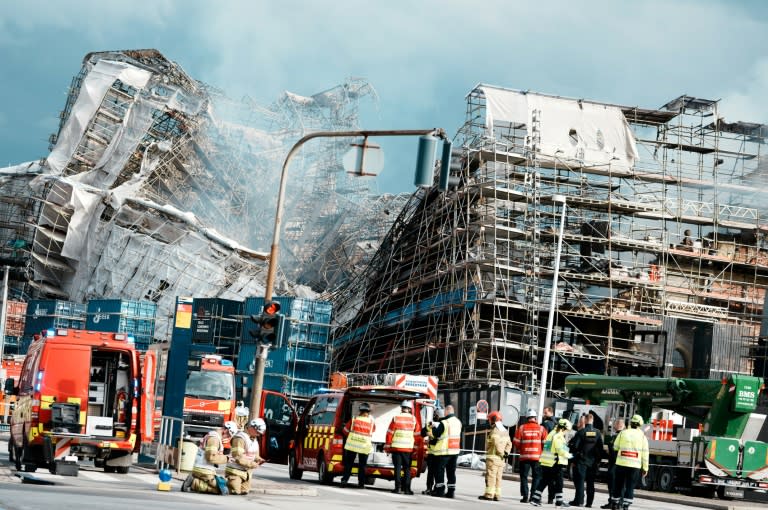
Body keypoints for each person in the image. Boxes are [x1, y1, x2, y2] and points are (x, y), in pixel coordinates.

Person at [182, 421, 238, 494]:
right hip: (204, 470)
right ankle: (194, 483)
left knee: (223, 487)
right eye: (229, 435)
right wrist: (226, 459)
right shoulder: (214, 439)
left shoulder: (214, 436)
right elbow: (211, 457)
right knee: (222, 490)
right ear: (226, 430)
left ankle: (195, 480)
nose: (228, 437)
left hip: (203, 469)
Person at [610, 415, 649, 510]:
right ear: (640, 424)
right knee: (630, 486)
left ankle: (615, 503)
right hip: (634, 466)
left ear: (630, 423)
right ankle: (626, 505)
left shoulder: (623, 433)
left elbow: (615, 447)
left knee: (618, 484)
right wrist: (645, 468)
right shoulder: (642, 437)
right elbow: (645, 454)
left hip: (621, 464)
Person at [531, 418, 572, 507]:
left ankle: (535, 498)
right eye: (567, 430)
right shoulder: (558, 435)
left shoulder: (552, 433)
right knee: (559, 482)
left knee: (545, 480)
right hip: (555, 462)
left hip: (547, 461)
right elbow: (560, 449)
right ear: (563, 428)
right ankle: (559, 501)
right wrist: (570, 455)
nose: (566, 432)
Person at [569, 413, 603, 508]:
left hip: (581, 461)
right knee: (590, 483)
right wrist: (597, 460)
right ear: (592, 420)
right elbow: (600, 448)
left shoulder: (581, 432)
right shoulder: (598, 432)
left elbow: (575, 447)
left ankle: (579, 501)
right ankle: (589, 503)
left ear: (586, 420)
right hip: (592, 462)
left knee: (580, 482)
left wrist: (573, 459)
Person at [225, 417, 267, 495]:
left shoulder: (254, 439)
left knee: (244, 491)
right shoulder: (240, 438)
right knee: (235, 491)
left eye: (259, 434)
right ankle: (222, 483)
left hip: (246, 473)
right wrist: (252, 464)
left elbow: (255, 455)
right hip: (235, 471)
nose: (258, 435)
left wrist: (259, 459)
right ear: (252, 428)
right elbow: (238, 457)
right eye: (257, 432)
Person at [385, 400, 419, 494]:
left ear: (402, 408)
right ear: (409, 409)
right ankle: (407, 489)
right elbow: (417, 435)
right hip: (408, 449)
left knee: (397, 469)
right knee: (407, 469)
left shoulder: (396, 418)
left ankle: (397, 488)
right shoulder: (413, 419)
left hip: (396, 447)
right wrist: (415, 448)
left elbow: (389, 433)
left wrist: (387, 447)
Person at [513, 408, 547, 503]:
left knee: (524, 477)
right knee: (537, 477)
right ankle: (533, 496)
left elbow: (516, 442)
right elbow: (546, 443)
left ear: (527, 418)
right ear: (535, 418)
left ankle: (525, 497)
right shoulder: (541, 429)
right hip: (537, 457)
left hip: (524, 457)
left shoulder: (522, 428)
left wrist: (521, 449)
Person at [340, 402, 375, 488]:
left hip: (352, 445)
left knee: (349, 464)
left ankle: (344, 480)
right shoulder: (371, 422)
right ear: (369, 412)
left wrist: (352, 436)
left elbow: (345, 431)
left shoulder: (354, 419)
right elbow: (373, 431)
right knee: (362, 466)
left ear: (360, 410)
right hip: (364, 447)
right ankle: (361, 483)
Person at [478, 411, 512, 501]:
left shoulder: (494, 431)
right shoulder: (505, 431)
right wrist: (506, 453)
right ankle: (497, 495)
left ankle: (489, 495)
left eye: (489, 420)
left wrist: (500, 453)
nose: (489, 422)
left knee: (491, 476)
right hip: (501, 459)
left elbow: (496, 444)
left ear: (493, 420)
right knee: (498, 477)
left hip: (493, 458)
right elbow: (509, 444)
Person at [431, 404, 463, 498]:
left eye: (444, 411)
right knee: (451, 472)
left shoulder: (445, 422)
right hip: (454, 451)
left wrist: (433, 427)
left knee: (439, 471)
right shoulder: (458, 422)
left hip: (444, 451)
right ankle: (451, 492)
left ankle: (440, 491)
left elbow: (436, 434)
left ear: (447, 411)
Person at [601, 418, 625, 510]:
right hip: (620, 464)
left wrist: (608, 451)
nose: (613, 426)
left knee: (613, 484)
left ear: (618, 425)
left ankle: (613, 502)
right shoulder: (622, 436)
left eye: (615, 424)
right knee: (620, 485)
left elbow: (613, 450)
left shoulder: (618, 437)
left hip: (615, 464)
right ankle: (618, 503)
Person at [421, 407, 443, 495]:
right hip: (438, 452)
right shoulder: (441, 424)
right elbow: (423, 433)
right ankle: (433, 489)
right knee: (436, 472)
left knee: (432, 472)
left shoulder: (437, 424)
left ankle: (431, 488)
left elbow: (423, 433)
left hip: (435, 452)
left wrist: (428, 434)